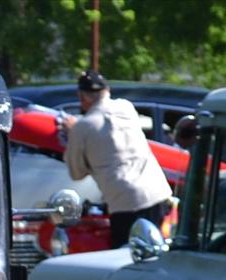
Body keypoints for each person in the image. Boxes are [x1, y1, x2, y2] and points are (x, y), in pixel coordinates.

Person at [62, 70, 172, 248]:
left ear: (82, 97)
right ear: (107, 90)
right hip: (157, 193)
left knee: (125, 257)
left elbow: (76, 173)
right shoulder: (126, 107)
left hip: (125, 203)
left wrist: (72, 134)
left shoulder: (81, 128)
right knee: (157, 251)